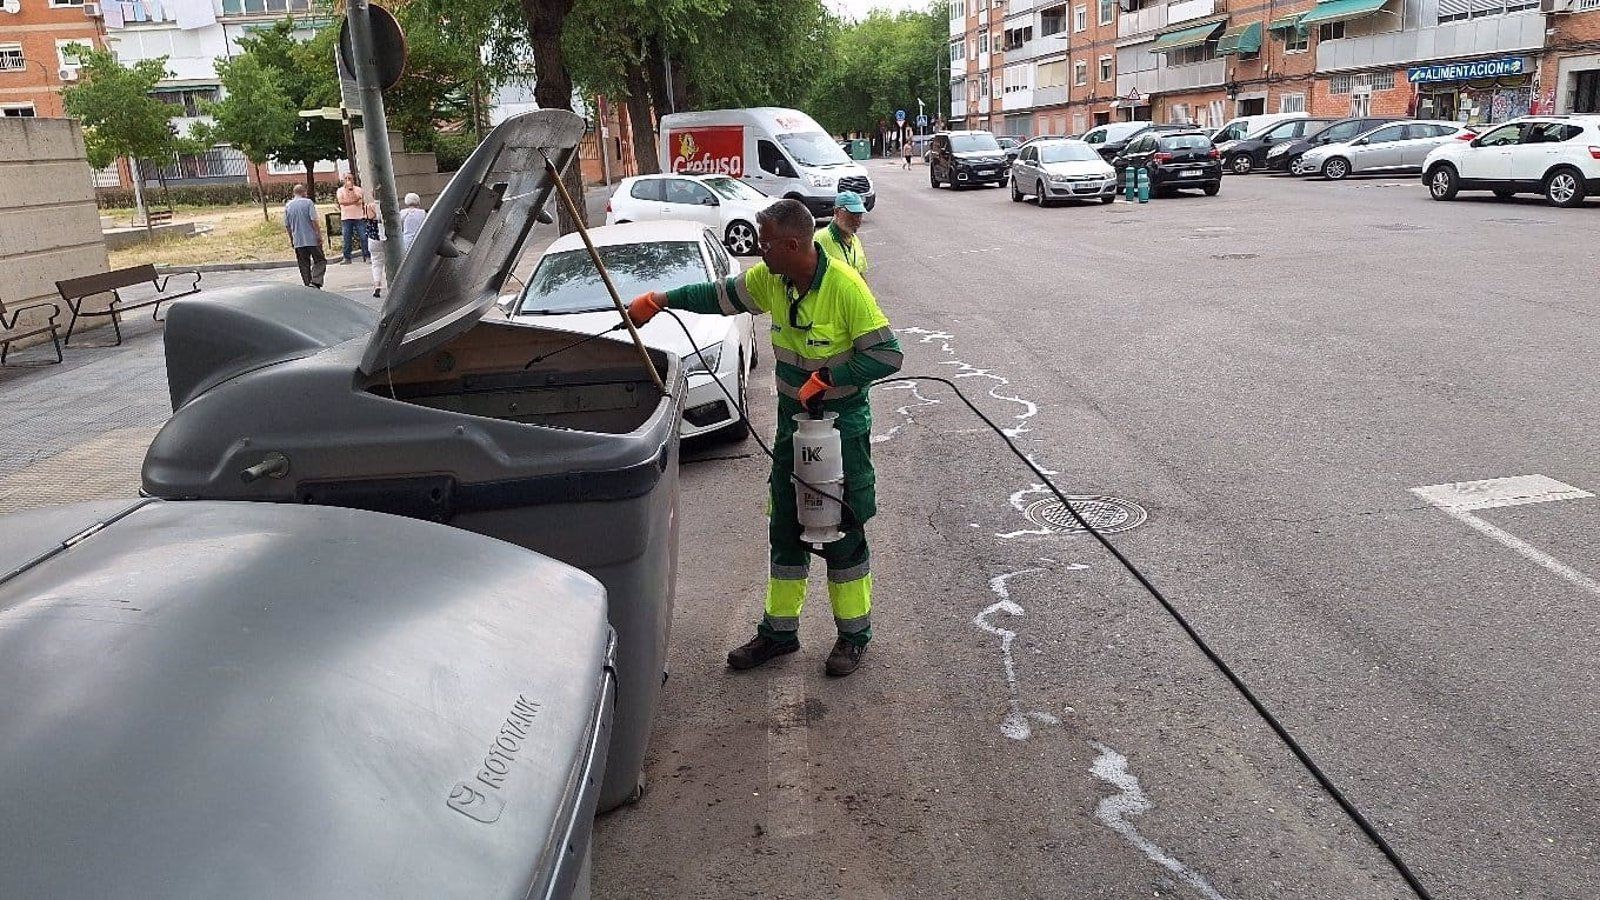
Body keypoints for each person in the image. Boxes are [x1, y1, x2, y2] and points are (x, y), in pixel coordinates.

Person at [626, 199, 903, 677]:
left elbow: (888, 356)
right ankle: (779, 633)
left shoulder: (844, 287)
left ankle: (853, 637)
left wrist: (829, 376)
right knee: (786, 528)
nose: (759, 250)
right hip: (793, 428)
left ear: (793, 244)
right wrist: (662, 300)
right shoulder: (772, 281)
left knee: (842, 531)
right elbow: (718, 295)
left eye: (766, 242)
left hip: (840, 431)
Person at [283, 183, 325, 289]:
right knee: (320, 260)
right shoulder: (308, 203)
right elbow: (313, 220)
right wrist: (318, 235)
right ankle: (315, 281)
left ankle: (307, 285)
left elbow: (287, 225)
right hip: (311, 239)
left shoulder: (288, 205)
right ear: (304, 192)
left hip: (298, 240)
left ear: (294, 193)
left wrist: (292, 239)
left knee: (303, 264)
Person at [816, 191, 868, 276]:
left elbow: (860, 274)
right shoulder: (820, 239)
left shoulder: (855, 241)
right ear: (836, 212)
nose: (858, 220)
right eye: (852, 214)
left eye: (860, 215)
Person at [336, 173, 369, 265]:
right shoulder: (340, 191)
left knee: (363, 237)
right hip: (346, 218)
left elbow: (359, 201)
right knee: (347, 238)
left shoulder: (358, 190)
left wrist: (351, 190)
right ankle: (347, 258)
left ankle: (366, 256)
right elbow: (341, 202)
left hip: (359, 217)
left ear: (353, 179)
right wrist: (352, 201)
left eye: (349, 178)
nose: (348, 180)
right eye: (346, 178)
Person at [364, 191, 387, 299]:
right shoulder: (387, 207)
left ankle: (377, 285)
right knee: (390, 262)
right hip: (386, 238)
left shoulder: (368, 207)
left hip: (373, 238)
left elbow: (367, 219)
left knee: (376, 263)